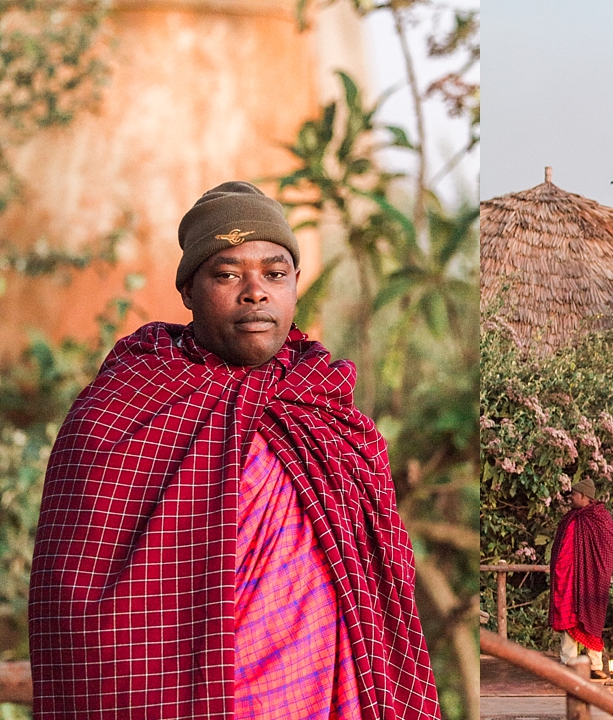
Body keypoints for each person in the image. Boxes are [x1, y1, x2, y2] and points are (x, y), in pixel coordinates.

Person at [29, 181, 441, 720]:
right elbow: (78, 610)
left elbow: (377, 596)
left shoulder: (328, 414)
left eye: (275, 273)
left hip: (318, 698)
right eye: (227, 274)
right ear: (187, 290)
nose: (256, 292)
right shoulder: (122, 408)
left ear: (295, 284)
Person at [547, 477, 613, 680]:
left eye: (574, 495)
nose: (571, 498)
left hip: (591, 580)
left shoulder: (600, 518)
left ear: (585, 497)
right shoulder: (570, 518)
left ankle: (594, 665)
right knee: (569, 617)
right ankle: (568, 662)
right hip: (569, 578)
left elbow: (608, 549)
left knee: (591, 618)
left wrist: (595, 571)